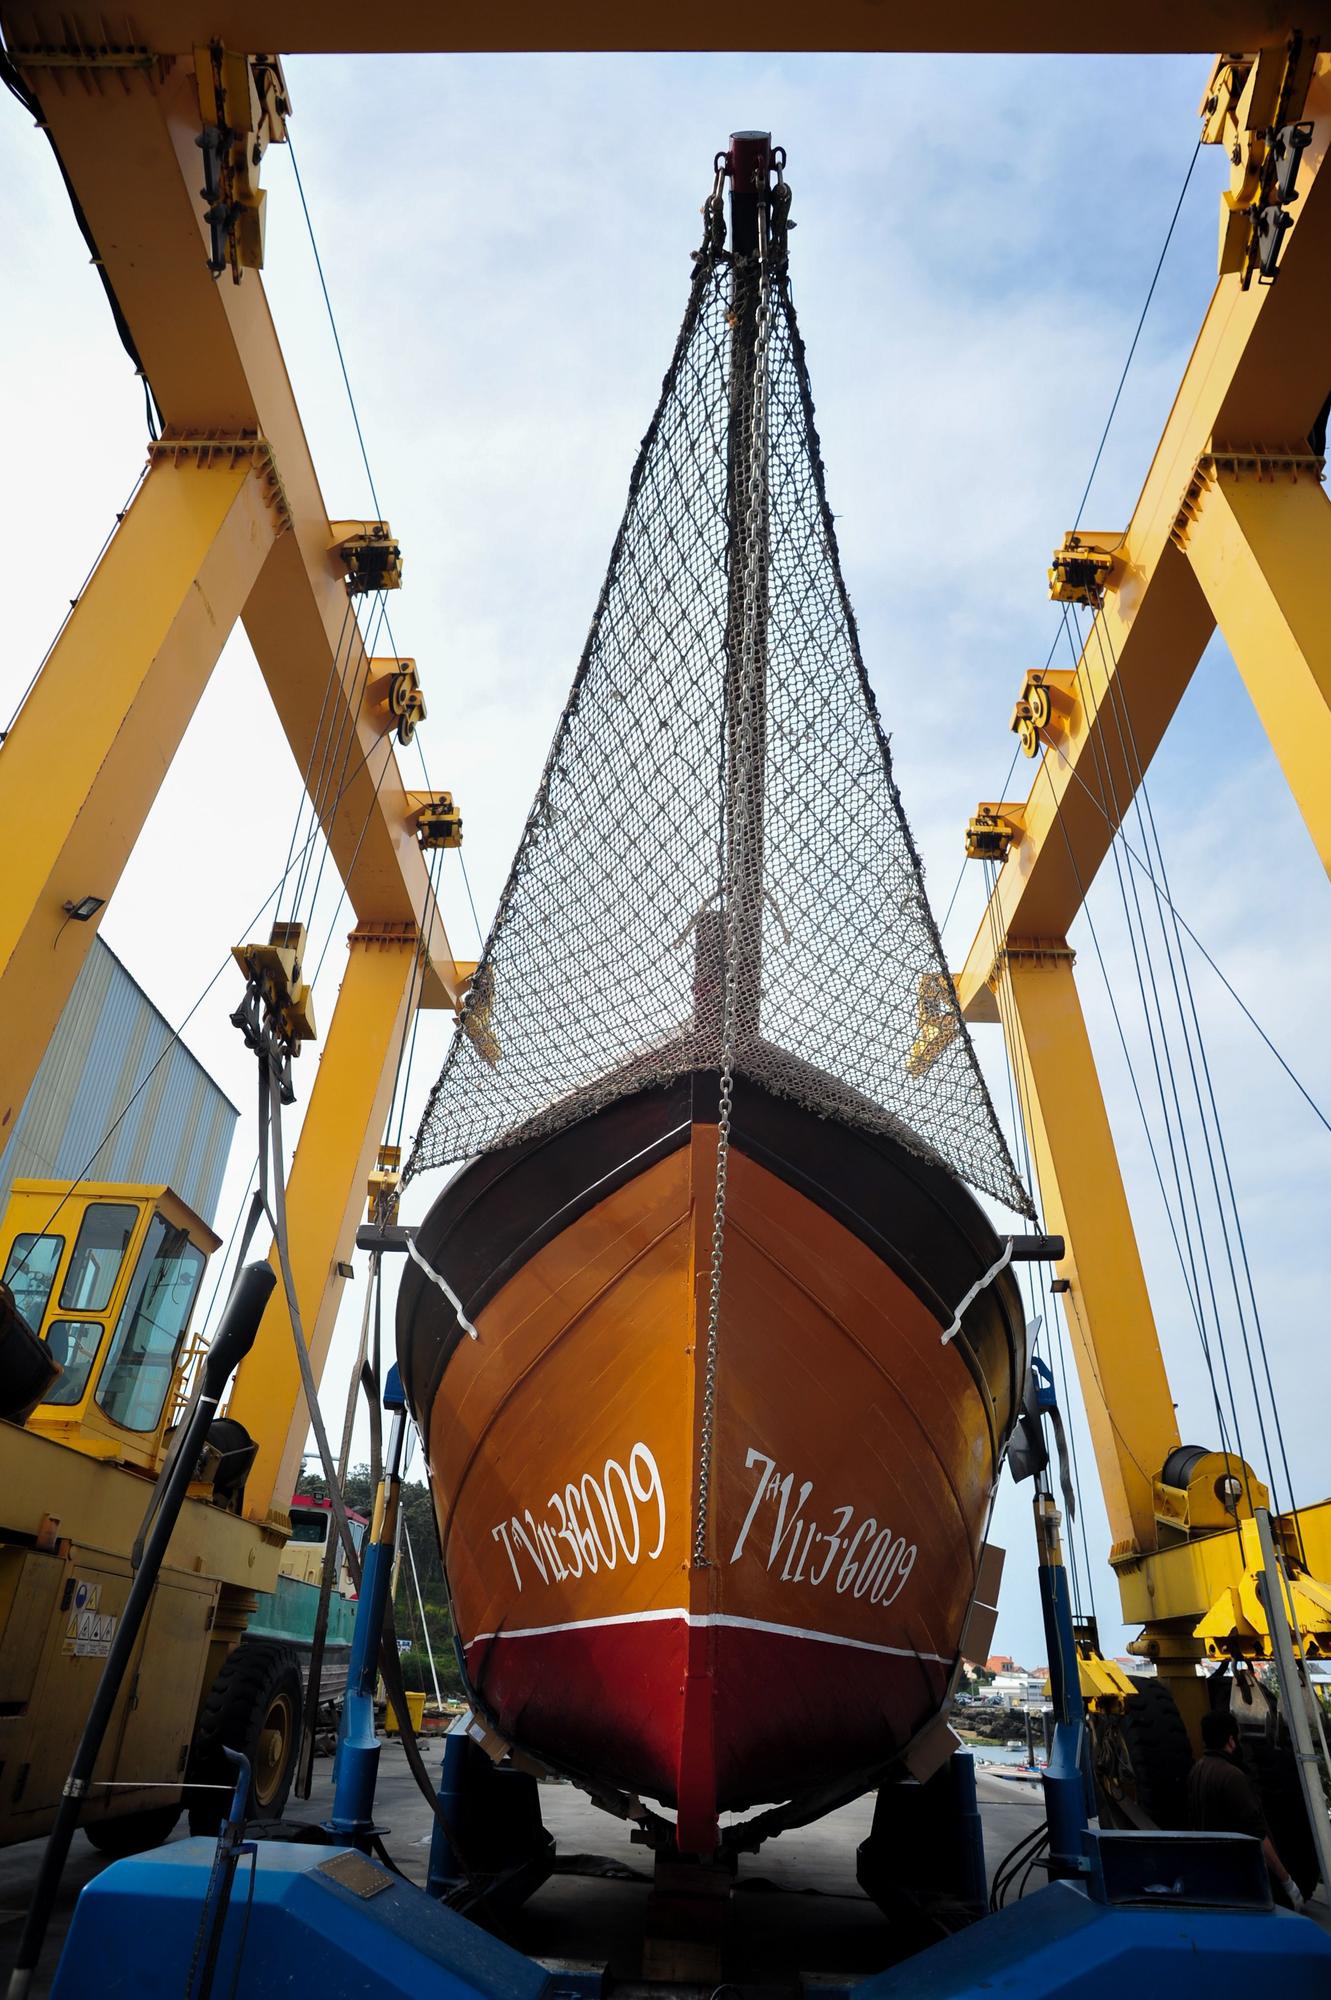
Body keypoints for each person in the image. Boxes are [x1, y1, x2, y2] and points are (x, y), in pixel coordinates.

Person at [1187, 1707, 1304, 1909]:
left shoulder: (1197, 1770)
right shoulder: (1232, 1777)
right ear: (1231, 1740)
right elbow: (1258, 1834)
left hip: (1212, 1875)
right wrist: (1286, 1881)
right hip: (1239, 1880)